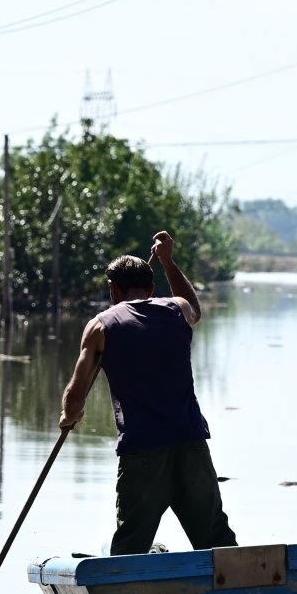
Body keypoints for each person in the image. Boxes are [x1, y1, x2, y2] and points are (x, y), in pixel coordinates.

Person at [59, 230, 238, 556]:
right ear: (152, 288)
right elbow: (193, 306)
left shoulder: (100, 326)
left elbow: (75, 394)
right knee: (216, 540)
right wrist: (168, 262)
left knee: (131, 547)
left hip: (143, 450)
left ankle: (128, 586)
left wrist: (69, 416)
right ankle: (241, 583)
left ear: (113, 288)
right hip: (190, 442)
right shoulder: (177, 310)